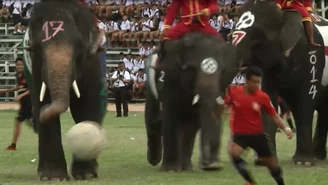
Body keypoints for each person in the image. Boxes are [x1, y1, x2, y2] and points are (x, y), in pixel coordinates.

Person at [222, 67, 293, 185]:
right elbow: (225, 106)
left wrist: (285, 128)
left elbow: (274, 115)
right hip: (240, 134)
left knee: (272, 165)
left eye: (259, 82)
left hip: (257, 135)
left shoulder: (262, 96)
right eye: (254, 82)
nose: (257, 85)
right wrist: (220, 108)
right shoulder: (234, 92)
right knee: (233, 152)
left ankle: (281, 183)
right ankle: (250, 182)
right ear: (247, 81)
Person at [3, 58, 33, 151]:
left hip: (29, 103)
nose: (19, 66)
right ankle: (13, 145)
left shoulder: (27, 75)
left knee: (31, 124)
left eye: (21, 65)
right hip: (24, 104)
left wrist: (20, 96)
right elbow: (20, 88)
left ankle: (47, 140)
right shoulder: (17, 75)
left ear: (24, 66)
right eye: (17, 65)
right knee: (22, 122)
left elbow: (31, 89)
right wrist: (6, 91)